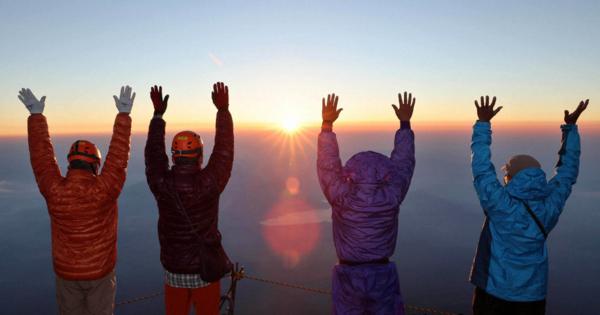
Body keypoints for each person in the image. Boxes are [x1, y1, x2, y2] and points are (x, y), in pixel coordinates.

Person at [19, 86, 135, 315]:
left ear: (70, 162)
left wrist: (36, 117)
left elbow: (41, 160)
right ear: (95, 164)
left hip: (66, 274)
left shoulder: (54, 190)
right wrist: (123, 116)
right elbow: (118, 158)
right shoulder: (105, 189)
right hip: (101, 273)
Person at [469, 96, 589, 315]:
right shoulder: (548, 206)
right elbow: (567, 174)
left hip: (494, 293)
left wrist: (482, 123)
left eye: (506, 175)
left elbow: (482, 170)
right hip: (533, 298)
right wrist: (570, 129)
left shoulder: (501, 205)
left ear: (511, 177)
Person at [317, 92, 416, 315]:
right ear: (385, 173)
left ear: (351, 172)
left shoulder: (341, 196)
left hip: (348, 275)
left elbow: (327, 166)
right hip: (382, 274)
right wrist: (405, 124)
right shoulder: (392, 194)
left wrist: (327, 126)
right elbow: (404, 164)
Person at [145, 82, 234, 315]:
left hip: (174, 272)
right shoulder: (209, 183)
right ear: (199, 156)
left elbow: (153, 156)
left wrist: (157, 116)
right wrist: (223, 111)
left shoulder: (161, 184)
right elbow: (224, 152)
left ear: (174, 156)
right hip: (205, 271)